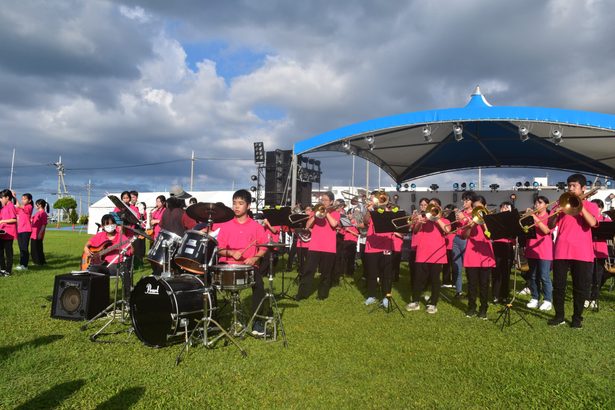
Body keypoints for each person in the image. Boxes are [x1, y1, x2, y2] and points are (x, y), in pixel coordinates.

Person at [547, 174, 599, 328]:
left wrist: (580, 206)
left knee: (580, 287)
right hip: (561, 251)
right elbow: (550, 226)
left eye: (574, 186)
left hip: (582, 252)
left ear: (583, 188)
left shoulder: (591, 206)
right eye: (569, 186)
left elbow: (592, 223)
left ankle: (577, 318)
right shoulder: (561, 204)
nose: (570, 188)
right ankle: (559, 316)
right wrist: (557, 213)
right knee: (559, 286)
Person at [216, 189, 268, 335]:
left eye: (240, 203)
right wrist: (231, 252)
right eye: (234, 203)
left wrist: (255, 258)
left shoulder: (256, 227)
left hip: (249, 266)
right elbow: (219, 249)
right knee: (208, 281)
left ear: (248, 206)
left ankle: (257, 321)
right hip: (228, 265)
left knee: (259, 286)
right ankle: (213, 319)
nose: (236, 206)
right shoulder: (225, 226)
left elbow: (264, 247)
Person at [406, 198, 451, 314]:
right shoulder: (423, 218)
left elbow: (447, 231)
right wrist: (419, 223)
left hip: (437, 253)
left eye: (434, 206)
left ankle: (433, 303)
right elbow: (415, 231)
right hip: (422, 252)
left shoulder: (444, 220)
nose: (431, 208)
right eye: (430, 206)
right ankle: (415, 301)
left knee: (435, 279)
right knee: (418, 278)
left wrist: (437, 218)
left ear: (439, 207)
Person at [296, 191, 340, 301]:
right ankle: (302, 294)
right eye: (322, 200)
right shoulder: (315, 211)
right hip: (315, 246)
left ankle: (322, 295)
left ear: (331, 202)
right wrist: (316, 215)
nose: (323, 202)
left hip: (329, 247)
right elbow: (307, 226)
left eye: (325, 200)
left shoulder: (335, 213)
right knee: (308, 270)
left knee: (325, 273)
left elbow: (334, 224)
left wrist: (326, 213)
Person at [460, 195, 495, 319]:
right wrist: (470, 225)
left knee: (484, 284)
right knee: (472, 284)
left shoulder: (490, 219)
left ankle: (484, 308)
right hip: (472, 254)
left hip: (485, 254)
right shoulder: (468, 219)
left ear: (485, 207)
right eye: (474, 207)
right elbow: (464, 236)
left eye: (479, 207)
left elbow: (490, 235)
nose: (476, 209)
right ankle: (471, 307)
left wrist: (483, 222)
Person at [363, 191, 394, 307]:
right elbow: (366, 221)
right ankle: (371, 295)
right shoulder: (371, 212)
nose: (375, 201)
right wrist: (369, 210)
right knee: (371, 272)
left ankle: (386, 296)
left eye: (376, 199)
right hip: (371, 246)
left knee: (386, 273)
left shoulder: (388, 211)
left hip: (386, 245)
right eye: (373, 199)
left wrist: (383, 207)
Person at [524, 196, 553, 311]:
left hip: (544, 251)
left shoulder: (549, 216)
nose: (536, 205)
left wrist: (534, 217)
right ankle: (535, 297)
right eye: (535, 203)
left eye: (540, 203)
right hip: (531, 249)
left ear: (546, 205)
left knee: (544, 276)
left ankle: (547, 300)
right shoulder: (532, 217)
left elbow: (546, 230)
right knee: (532, 276)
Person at [587, 198, 610, 310]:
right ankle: (587, 298)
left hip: (600, 252)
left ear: (601, 208)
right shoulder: (588, 219)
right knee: (588, 276)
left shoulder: (606, 220)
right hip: (588, 251)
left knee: (598, 277)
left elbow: (610, 233)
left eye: (596, 207)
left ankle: (594, 298)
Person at [452, 191, 475, 298]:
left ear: (472, 201)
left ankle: (471, 291)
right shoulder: (461, 212)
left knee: (470, 268)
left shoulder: (475, 212)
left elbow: (474, 225)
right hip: (457, 239)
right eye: (463, 199)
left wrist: (464, 218)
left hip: (468, 240)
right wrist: (455, 217)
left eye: (467, 200)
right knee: (457, 266)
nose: (464, 202)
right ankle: (459, 291)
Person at [491, 201, 514, 303]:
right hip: (496, 245)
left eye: (506, 208)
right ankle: (495, 295)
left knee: (505, 272)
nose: (503, 209)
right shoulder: (495, 219)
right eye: (502, 208)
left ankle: (504, 295)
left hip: (507, 245)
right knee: (496, 272)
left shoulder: (513, 220)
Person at [13, 192, 33, 271]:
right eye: (22, 199)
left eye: (24, 199)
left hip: (26, 230)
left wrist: (15, 197)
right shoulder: (21, 208)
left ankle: (25, 265)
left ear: (29, 200)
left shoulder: (29, 207)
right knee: (21, 248)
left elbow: (19, 205)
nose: (23, 200)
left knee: (24, 248)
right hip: (20, 230)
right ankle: (21, 264)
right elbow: (15, 208)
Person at [0, 190, 17, 276]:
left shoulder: (10, 206)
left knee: (8, 253)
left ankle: (8, 271)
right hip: (2, 233)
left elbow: (14, 219)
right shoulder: (3, 207)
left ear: (7, 197)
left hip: (8, 233)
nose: (1, 199)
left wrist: (3, 221)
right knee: (1, 252)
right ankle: (2, 269)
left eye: (2, 198)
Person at [30, 199, 49, 265]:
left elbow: (44, 224)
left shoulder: (43, 213)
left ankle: (38, 262)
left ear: (40, 205)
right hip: (34, 233)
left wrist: (40, 233)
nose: (35, 205)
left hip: (37, 233)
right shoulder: (38, 213)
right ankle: (41, 261)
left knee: (36, 249)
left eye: (36, 204)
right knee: (37, 248)